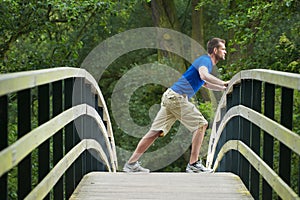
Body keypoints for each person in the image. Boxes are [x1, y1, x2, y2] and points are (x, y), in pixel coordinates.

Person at [123, 38, 229, 173]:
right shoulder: (206, 60)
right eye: (223, 49)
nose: (225, 52)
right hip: (177, 97)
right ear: (215, 50)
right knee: (201, 124)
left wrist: (222, 88)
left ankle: (131, 164)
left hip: (171, 96)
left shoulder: (205, 62)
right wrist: (223, 83)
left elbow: (205, 83)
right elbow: (204, 75)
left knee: (154, 132)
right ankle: (194, 164)